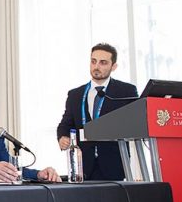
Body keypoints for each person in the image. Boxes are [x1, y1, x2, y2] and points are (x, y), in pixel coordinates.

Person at [57, 43, 138, 180]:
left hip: (113, 166)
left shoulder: (126, 91)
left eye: (103, 63)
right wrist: (62, 137)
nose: (96, 67)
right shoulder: (75, 94)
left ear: (114, 67)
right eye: (93, 61)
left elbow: (134, 122)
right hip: (83, 167)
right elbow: (66, 124)